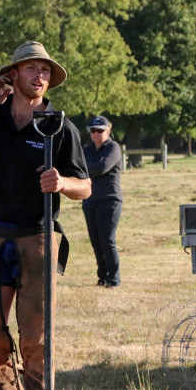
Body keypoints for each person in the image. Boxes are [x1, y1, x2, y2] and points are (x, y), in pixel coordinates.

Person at [0, 41, 91, 390]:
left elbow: (86, 187)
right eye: (31, 68)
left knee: (37, 337)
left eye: (46, 70)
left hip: (38, 235)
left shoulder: (60, 126)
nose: (40, 75)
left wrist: (63, 182)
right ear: (13, 74)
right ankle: (7, 388)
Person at [82, 115, 123, 288]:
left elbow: (101, 167)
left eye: (100, 130)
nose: (96, 133)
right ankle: (103, 277)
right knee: (96, 242)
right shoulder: (87, 149)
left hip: (109, 200)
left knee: (107, 240)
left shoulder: (113, 148)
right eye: (93, 130)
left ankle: (114, 280)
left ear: (108, 131)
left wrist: (85, 167)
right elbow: (77, 166)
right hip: (89, 200)